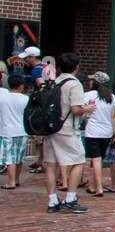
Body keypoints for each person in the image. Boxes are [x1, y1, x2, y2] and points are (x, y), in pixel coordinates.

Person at [39, 52, 91, 213]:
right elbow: (75, 109)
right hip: (67, 128)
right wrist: (87, 109)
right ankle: (70, 198)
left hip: (51, 127)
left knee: (51, 164)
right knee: (78, 160)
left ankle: (52, 201)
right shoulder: (74, 84)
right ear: (77, 66)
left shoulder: (55, 81)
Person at [82, 71, 115, 196]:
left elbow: (82, 111)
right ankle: (93, 185)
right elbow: (112, 116)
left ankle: (98, 187)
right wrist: (114, 131)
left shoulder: (88, 95)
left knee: (95, 160)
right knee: (100, 159)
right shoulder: (111, 97)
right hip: (106, 131)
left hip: (93, 131)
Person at [0, 74, 27, 189]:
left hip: (7, 130)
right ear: (21, 86)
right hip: (22, 130)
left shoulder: (2, 98)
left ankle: (11, 182)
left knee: (10, 158)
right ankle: (16, 179)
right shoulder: (26, 99)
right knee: (19, 158)